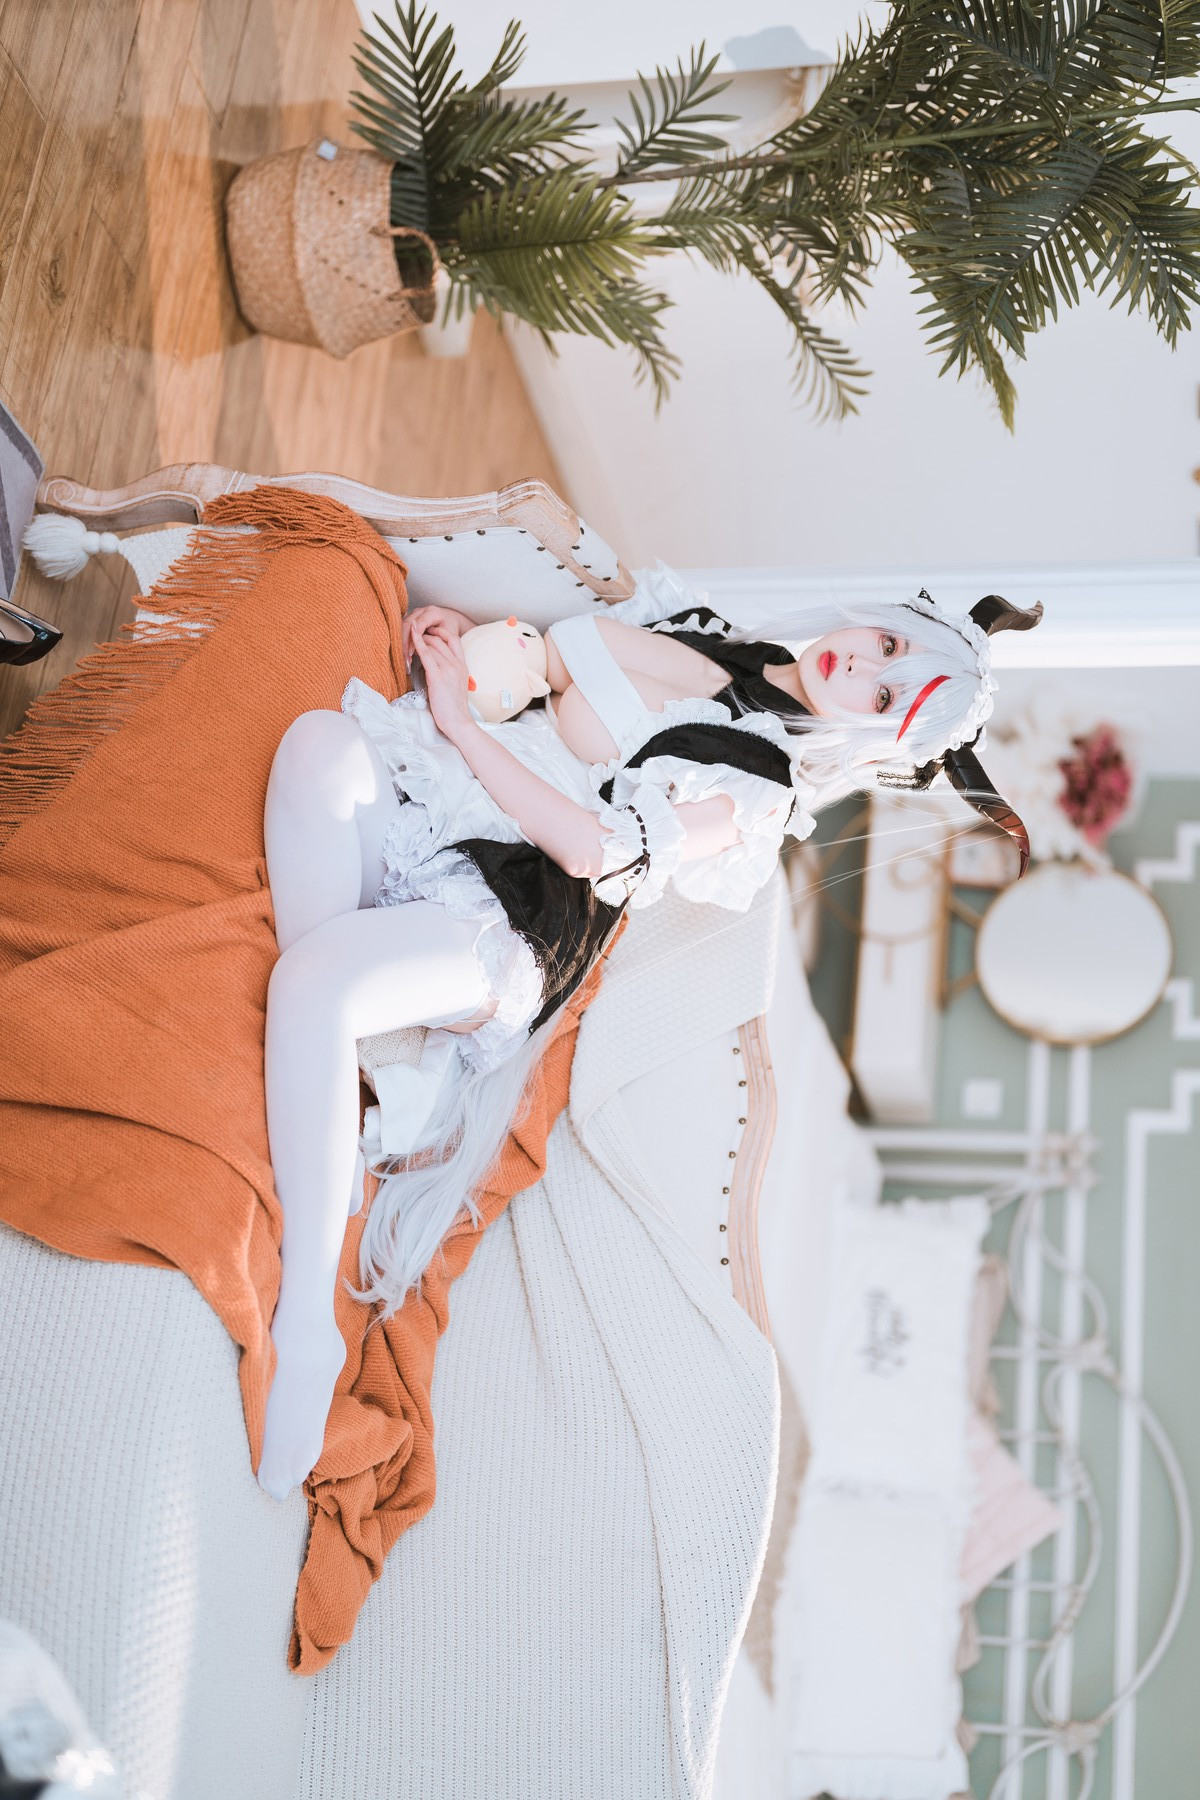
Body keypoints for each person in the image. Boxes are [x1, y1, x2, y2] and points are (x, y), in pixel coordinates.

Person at [258, 573, 1040, 1499]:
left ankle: (306, 1319)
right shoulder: (707, 629)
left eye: (883, 697)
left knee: (313, 983)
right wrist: (476, 653)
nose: (863, 665)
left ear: (879, 741)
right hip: (450, 783)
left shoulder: (759, 787)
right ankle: (337, 1080)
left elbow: (595, 851)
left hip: (521, 899)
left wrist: (461, 723)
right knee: (314, 748)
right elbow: (552, 668)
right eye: (891, 646)